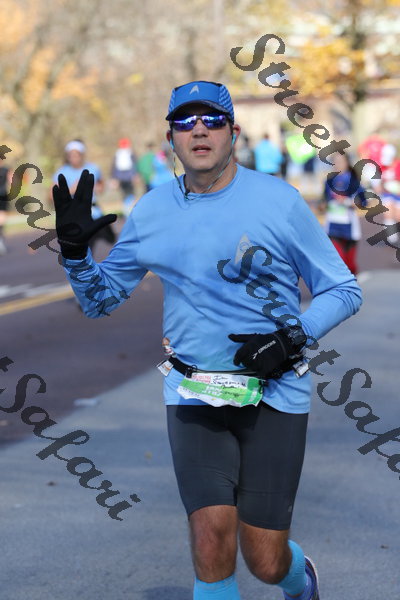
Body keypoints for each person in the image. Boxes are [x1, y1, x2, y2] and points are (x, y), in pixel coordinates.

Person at [52, 80, 362, 600]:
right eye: (186, 121)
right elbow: (99, 301)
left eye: (213, 120)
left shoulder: (279, 202)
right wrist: (77, 256)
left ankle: (298, 577)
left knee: (264, 560)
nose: (199, 130)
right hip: (193, 393)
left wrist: (294, 336)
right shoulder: (153, 211)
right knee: (211, 537)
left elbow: (344, 289)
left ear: (233, 133)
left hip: (274, 394)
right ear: (170, 138)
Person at [52, 139, 115, 257]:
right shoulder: (62, 172)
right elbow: (52, 195)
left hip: (95, 212)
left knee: (113, 240)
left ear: (82, 155)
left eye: (76, 155)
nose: (74, 158)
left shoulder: (93, 168)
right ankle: (86, 266)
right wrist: (72, 190)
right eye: (71, 155)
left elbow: (101, 185)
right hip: (76, 216)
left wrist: (98, 188)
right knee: (86, 247)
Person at [320, 153, 367, 275]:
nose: (338, 164)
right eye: (335, 162)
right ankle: (343, 284)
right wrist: (323, 205)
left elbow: (363, 202)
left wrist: (347, 202)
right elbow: (323, 201)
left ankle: (352, 281)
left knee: (350, 264)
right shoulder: (329, 181)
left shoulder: (354, 181)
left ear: (347, 163)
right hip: (333, 225)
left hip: (349, 227)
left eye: (341, 161)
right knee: (338, 260)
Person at [110, 138, 138, 217]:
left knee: (127, 194)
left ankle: (128, 211)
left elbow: (113, 167)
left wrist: (114, 178)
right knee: (129, 194)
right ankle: (129, 211)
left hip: (123, 178)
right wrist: (136, 175)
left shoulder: (118, 154)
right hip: (128, 178)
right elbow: (135, 164)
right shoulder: (130, 153)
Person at [0, 161, 11, 255]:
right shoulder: (6, 169)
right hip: (3, 194)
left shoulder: (6, 169)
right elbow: (11, 181)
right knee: (2, 218)